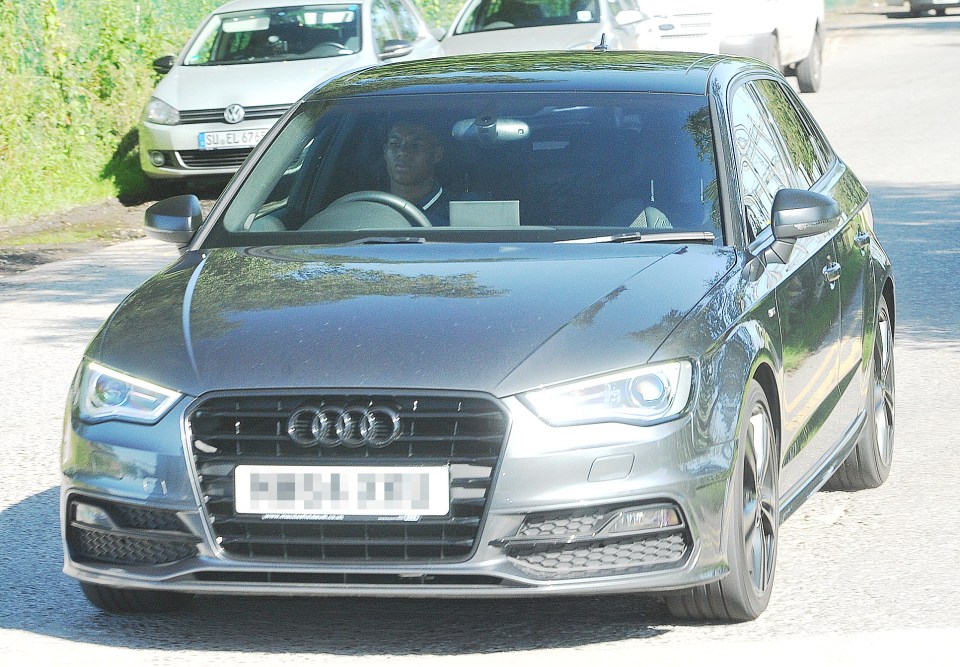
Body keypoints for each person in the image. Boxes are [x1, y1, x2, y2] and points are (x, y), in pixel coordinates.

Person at [382, 121, 452, 225]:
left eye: (415, 145)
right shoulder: (366, 209)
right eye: (394, 143)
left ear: (437, 154)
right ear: (385, 152)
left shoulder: (457, 211)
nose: (402, 152)